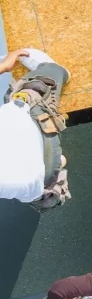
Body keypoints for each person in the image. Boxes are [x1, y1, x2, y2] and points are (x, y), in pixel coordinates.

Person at [0, 47, 71, 210]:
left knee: (42, 195)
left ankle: (54, 182)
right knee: (36, 87)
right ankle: (55, 167)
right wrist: (4, 66)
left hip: (37, 185)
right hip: (35, 143)